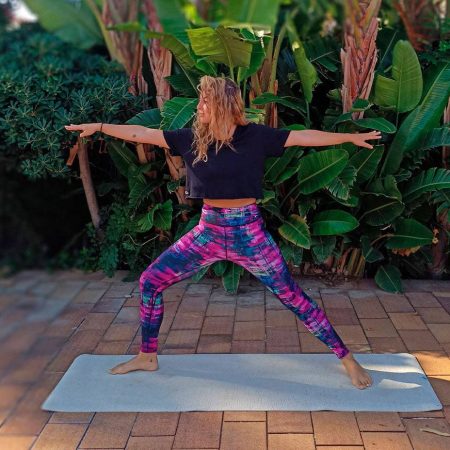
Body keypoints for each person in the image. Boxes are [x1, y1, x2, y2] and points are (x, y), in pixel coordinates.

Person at [66, 75, 380, 389]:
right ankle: (147, 356)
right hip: (208, 232)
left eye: (205, 100)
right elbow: (142, 133)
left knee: (293, 298)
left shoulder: (255, 137)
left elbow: (303, 138)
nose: (199, 106)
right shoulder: (192, 138)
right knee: (150, 281)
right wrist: (101, 127)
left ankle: (347, 359)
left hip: (250, 235)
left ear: (223, 105)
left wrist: (349, 139)